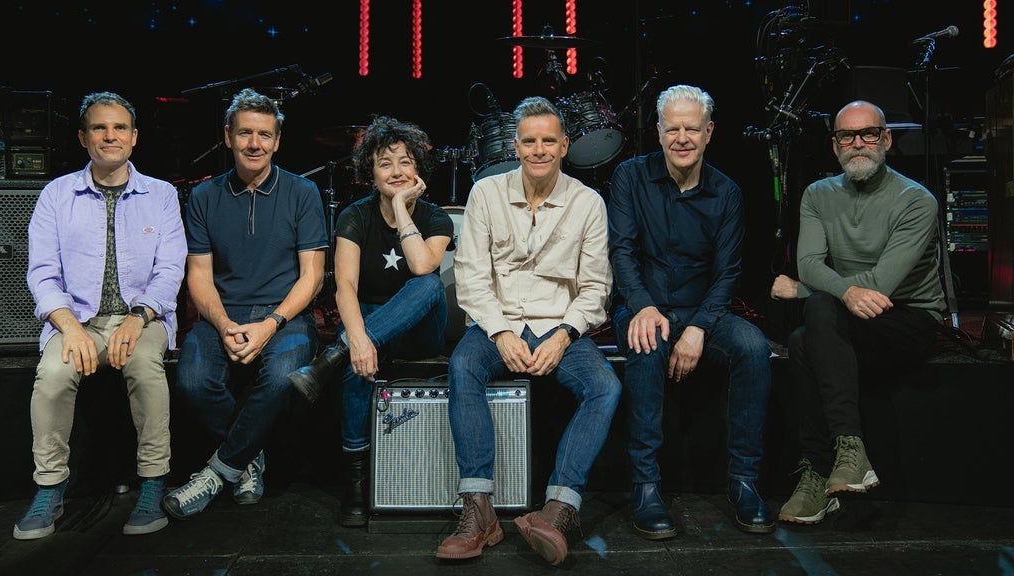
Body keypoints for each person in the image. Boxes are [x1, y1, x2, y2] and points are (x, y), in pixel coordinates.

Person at [435, 96, 620, 566]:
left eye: (548, 141)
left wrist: (563, 335)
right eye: (530, 141)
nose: (539, 150)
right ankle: (479, 511)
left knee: (605, 387)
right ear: (515, 146)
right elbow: (471, 277)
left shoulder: (588, 203)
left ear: (565, 146)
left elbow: (596, 287)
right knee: (463, 366)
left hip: (560, 326)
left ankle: (558, 509)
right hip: (499, 323)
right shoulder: (486, 193)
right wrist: (500, 333)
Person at [607, 84, 775, 539]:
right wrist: (643, 306)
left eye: (692, 129)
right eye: (673, 129)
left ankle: (744, 481)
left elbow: (728, 272)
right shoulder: (629, 177)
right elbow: (621, 252)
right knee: (647, 342)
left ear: (709, 132)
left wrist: (699, 327)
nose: (682, 138)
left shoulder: (728, 193)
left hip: (703, 311)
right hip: (642, 305)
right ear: (659, 132)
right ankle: (645, 486)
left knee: (753, 347)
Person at [17, 92, 187, 539]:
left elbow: (170, 270)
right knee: (53, 374)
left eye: (119, 128)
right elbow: (42, 273)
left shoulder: (161, 195)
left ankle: (153, 482)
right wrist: (69, 326)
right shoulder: (56, 195)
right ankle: (49, 487)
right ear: (83, 137)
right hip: (78, 321)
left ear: (134, 137)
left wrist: (139, 316)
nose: (110, 136)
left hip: (142, 319)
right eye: (99, 127)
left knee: (145, 367)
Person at [774, 100, 944, 524]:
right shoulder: (818, 195)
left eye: (868, 133)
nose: (858, 144)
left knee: (808, 328)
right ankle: (844, 457)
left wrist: (804, 290)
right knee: (808, 329)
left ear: (886, 140)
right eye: (846, 136)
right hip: (845, 314)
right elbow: (808, 263)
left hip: (908, 316)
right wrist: (837, 290)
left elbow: (882, 284)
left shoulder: (916, 201)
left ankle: (822, 468)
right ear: (835, 146)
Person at [163, 88, 328, 520]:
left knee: (283, 377)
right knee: (192, 382)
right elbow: (199, 276)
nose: (255, 144)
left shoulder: (303, 192)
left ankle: (217, 471)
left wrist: (270, 324)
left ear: (277, 141)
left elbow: (312, 276)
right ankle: (248, 457)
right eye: (245, 134)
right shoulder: (204, 196)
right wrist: (222, 325)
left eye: (264, 135)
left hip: (285, 316)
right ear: (227, 137)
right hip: (225, 314)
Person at [287, 115, 454, 527]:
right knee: (356, 357)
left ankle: (335, 353)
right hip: (371, 322)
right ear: (370, 172)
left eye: (405, 162)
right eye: (385, 163)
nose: (396, 171)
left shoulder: (436, 218)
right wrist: (359, 341)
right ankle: (357, 483)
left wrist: (399, 208)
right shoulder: (355, 216)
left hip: (420, 331)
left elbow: (422, 266)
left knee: (428, 286)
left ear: (418, 169)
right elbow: (344, 285)